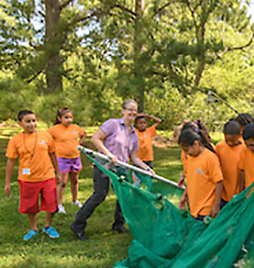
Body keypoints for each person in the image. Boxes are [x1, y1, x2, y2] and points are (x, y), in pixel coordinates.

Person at [70, 99, 153, 241]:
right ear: (123, 110)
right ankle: (78, 225)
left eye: (135, 110)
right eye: (130, 109)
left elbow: (134, 157)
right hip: (104, 166)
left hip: (121, 170)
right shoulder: (113, 124)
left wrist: (147, 168)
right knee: (100, 195)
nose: (133, 112)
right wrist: (108, 154)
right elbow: (96, 138)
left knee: (124, 196)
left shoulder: (133, 134)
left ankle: (118, 224)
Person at [4, 110, 61, 240]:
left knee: (52, 203)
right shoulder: (15, 140)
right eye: (28, 121)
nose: (32, 124)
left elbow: (52, 154)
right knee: (30, 206)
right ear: (20, 123)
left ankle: (48, 226)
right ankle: (33, 228)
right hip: (27, 179)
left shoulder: (45, 136)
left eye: (34, 121)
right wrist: (7, 182)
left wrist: (57, 172)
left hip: (47, 176)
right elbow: (11, 161)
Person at [47, 107, 87, 213]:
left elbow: (84, 134)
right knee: (62, 182)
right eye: (66, 117)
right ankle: (59, 204)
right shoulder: (54, 129)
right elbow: (46, 138)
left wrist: (80, 142)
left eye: (70, 117)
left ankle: (75, 200)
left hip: (75, 157)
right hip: (61, 158)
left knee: (74, 180)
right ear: (59, 118)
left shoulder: (75, 127)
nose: (69, 120)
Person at [177, 129, 223, 221]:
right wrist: (185, 197)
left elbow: (218, 181)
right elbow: (190, 179)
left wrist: (216, 206)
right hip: (193, 207)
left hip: (206, 210)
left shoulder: (210, 158)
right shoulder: (190, 157)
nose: (186, 153)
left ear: (196, 144)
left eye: (187, 150)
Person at [215, 119, 244, 206]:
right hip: (223, 194)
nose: (230, 143)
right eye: (228, 140)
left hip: (239, 194)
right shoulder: (219, 147)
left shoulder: (245, 148)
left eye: (233, 140)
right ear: (224, 134)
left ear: (240, 135)